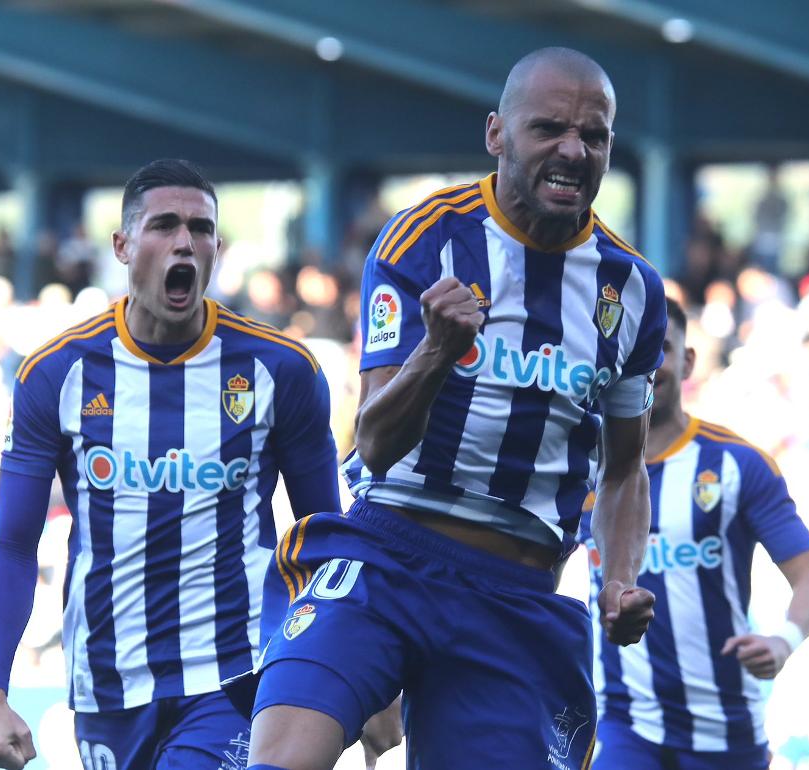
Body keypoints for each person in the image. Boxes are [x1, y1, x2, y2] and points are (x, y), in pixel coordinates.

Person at [244, 47, 667, 770]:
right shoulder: (426, 238)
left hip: (517, 595)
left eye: (593, 136)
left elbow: (625, 468)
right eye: (550, 129)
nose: (573, 149)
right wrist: (437, 351)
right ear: (497, 134)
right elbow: (373, 442)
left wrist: (620, 578)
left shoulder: (631, 290)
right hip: (390, 558)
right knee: (283, 759)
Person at [0, 159, 340, 770]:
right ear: (121, 245)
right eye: (164, 225)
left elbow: (325, 531)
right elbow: (13, 543)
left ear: (218, 248)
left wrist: (349, 669)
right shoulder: (57, 374)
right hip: (108, 683)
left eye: (201, 229)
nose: (185, 243)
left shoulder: (281, 370)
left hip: (238, 672)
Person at [582, 297, 809, 770]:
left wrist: (784, 640)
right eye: (629, 351)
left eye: (659, 351)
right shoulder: (581, 464)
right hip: (626, 723)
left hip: (726, 724)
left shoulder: (738, 465)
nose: (642, 366)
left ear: (689, 360)